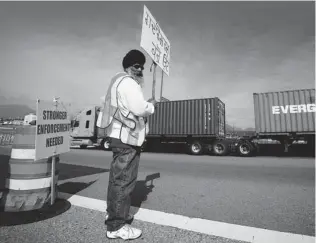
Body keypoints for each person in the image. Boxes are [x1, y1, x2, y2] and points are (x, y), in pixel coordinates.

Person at [97, 49, 156, 240]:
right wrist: (151, 106)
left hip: (116, 136)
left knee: (116, 179)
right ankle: (116, 226)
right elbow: (139, 108)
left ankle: (113, 213)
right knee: (124, 182)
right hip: (127, 138)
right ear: (128, 66)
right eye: (136, 65)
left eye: (141, 67)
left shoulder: (116, 81)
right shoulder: (129, 83)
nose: (139, 69)